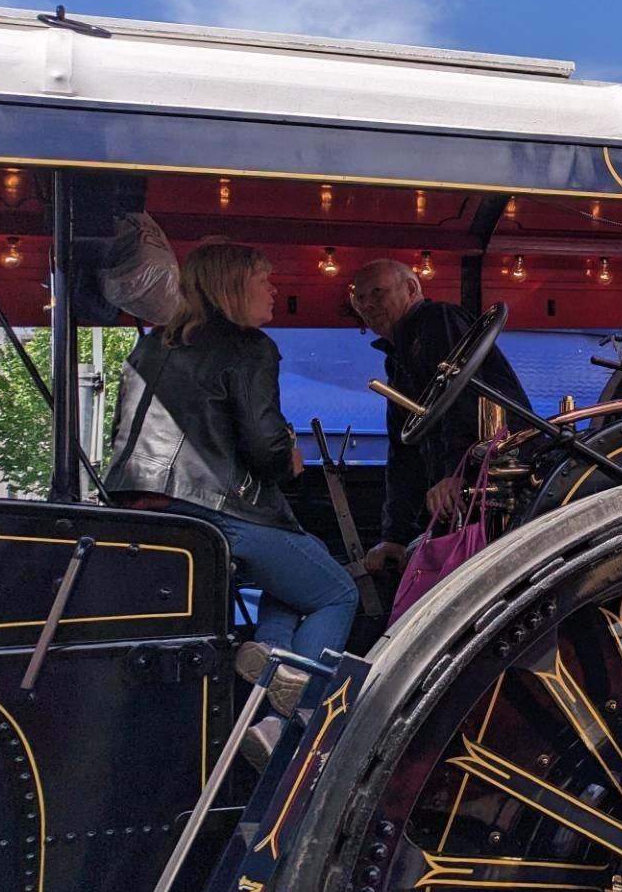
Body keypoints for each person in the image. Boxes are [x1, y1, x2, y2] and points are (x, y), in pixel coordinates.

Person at [108, 241, 356, 765]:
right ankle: (292, 726)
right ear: (234, 285)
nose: (274, 290)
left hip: (143, 511)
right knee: (336, 592)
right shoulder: (248, 346)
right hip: (215, 509)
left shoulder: (148, 348)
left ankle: (270, 669)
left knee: (298, 571)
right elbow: (264, 446)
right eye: (264, 280)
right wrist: (289, 454)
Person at [349, 259, 531, 573]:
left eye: (377, 293)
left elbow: (463, 396)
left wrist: (457, 473)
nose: (367, 304)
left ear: (411, 288)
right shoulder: (397, 360)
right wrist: (394, 535)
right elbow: (403, 452)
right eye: (360, 298)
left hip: (499, 479)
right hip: (466, 489)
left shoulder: (437, 321)